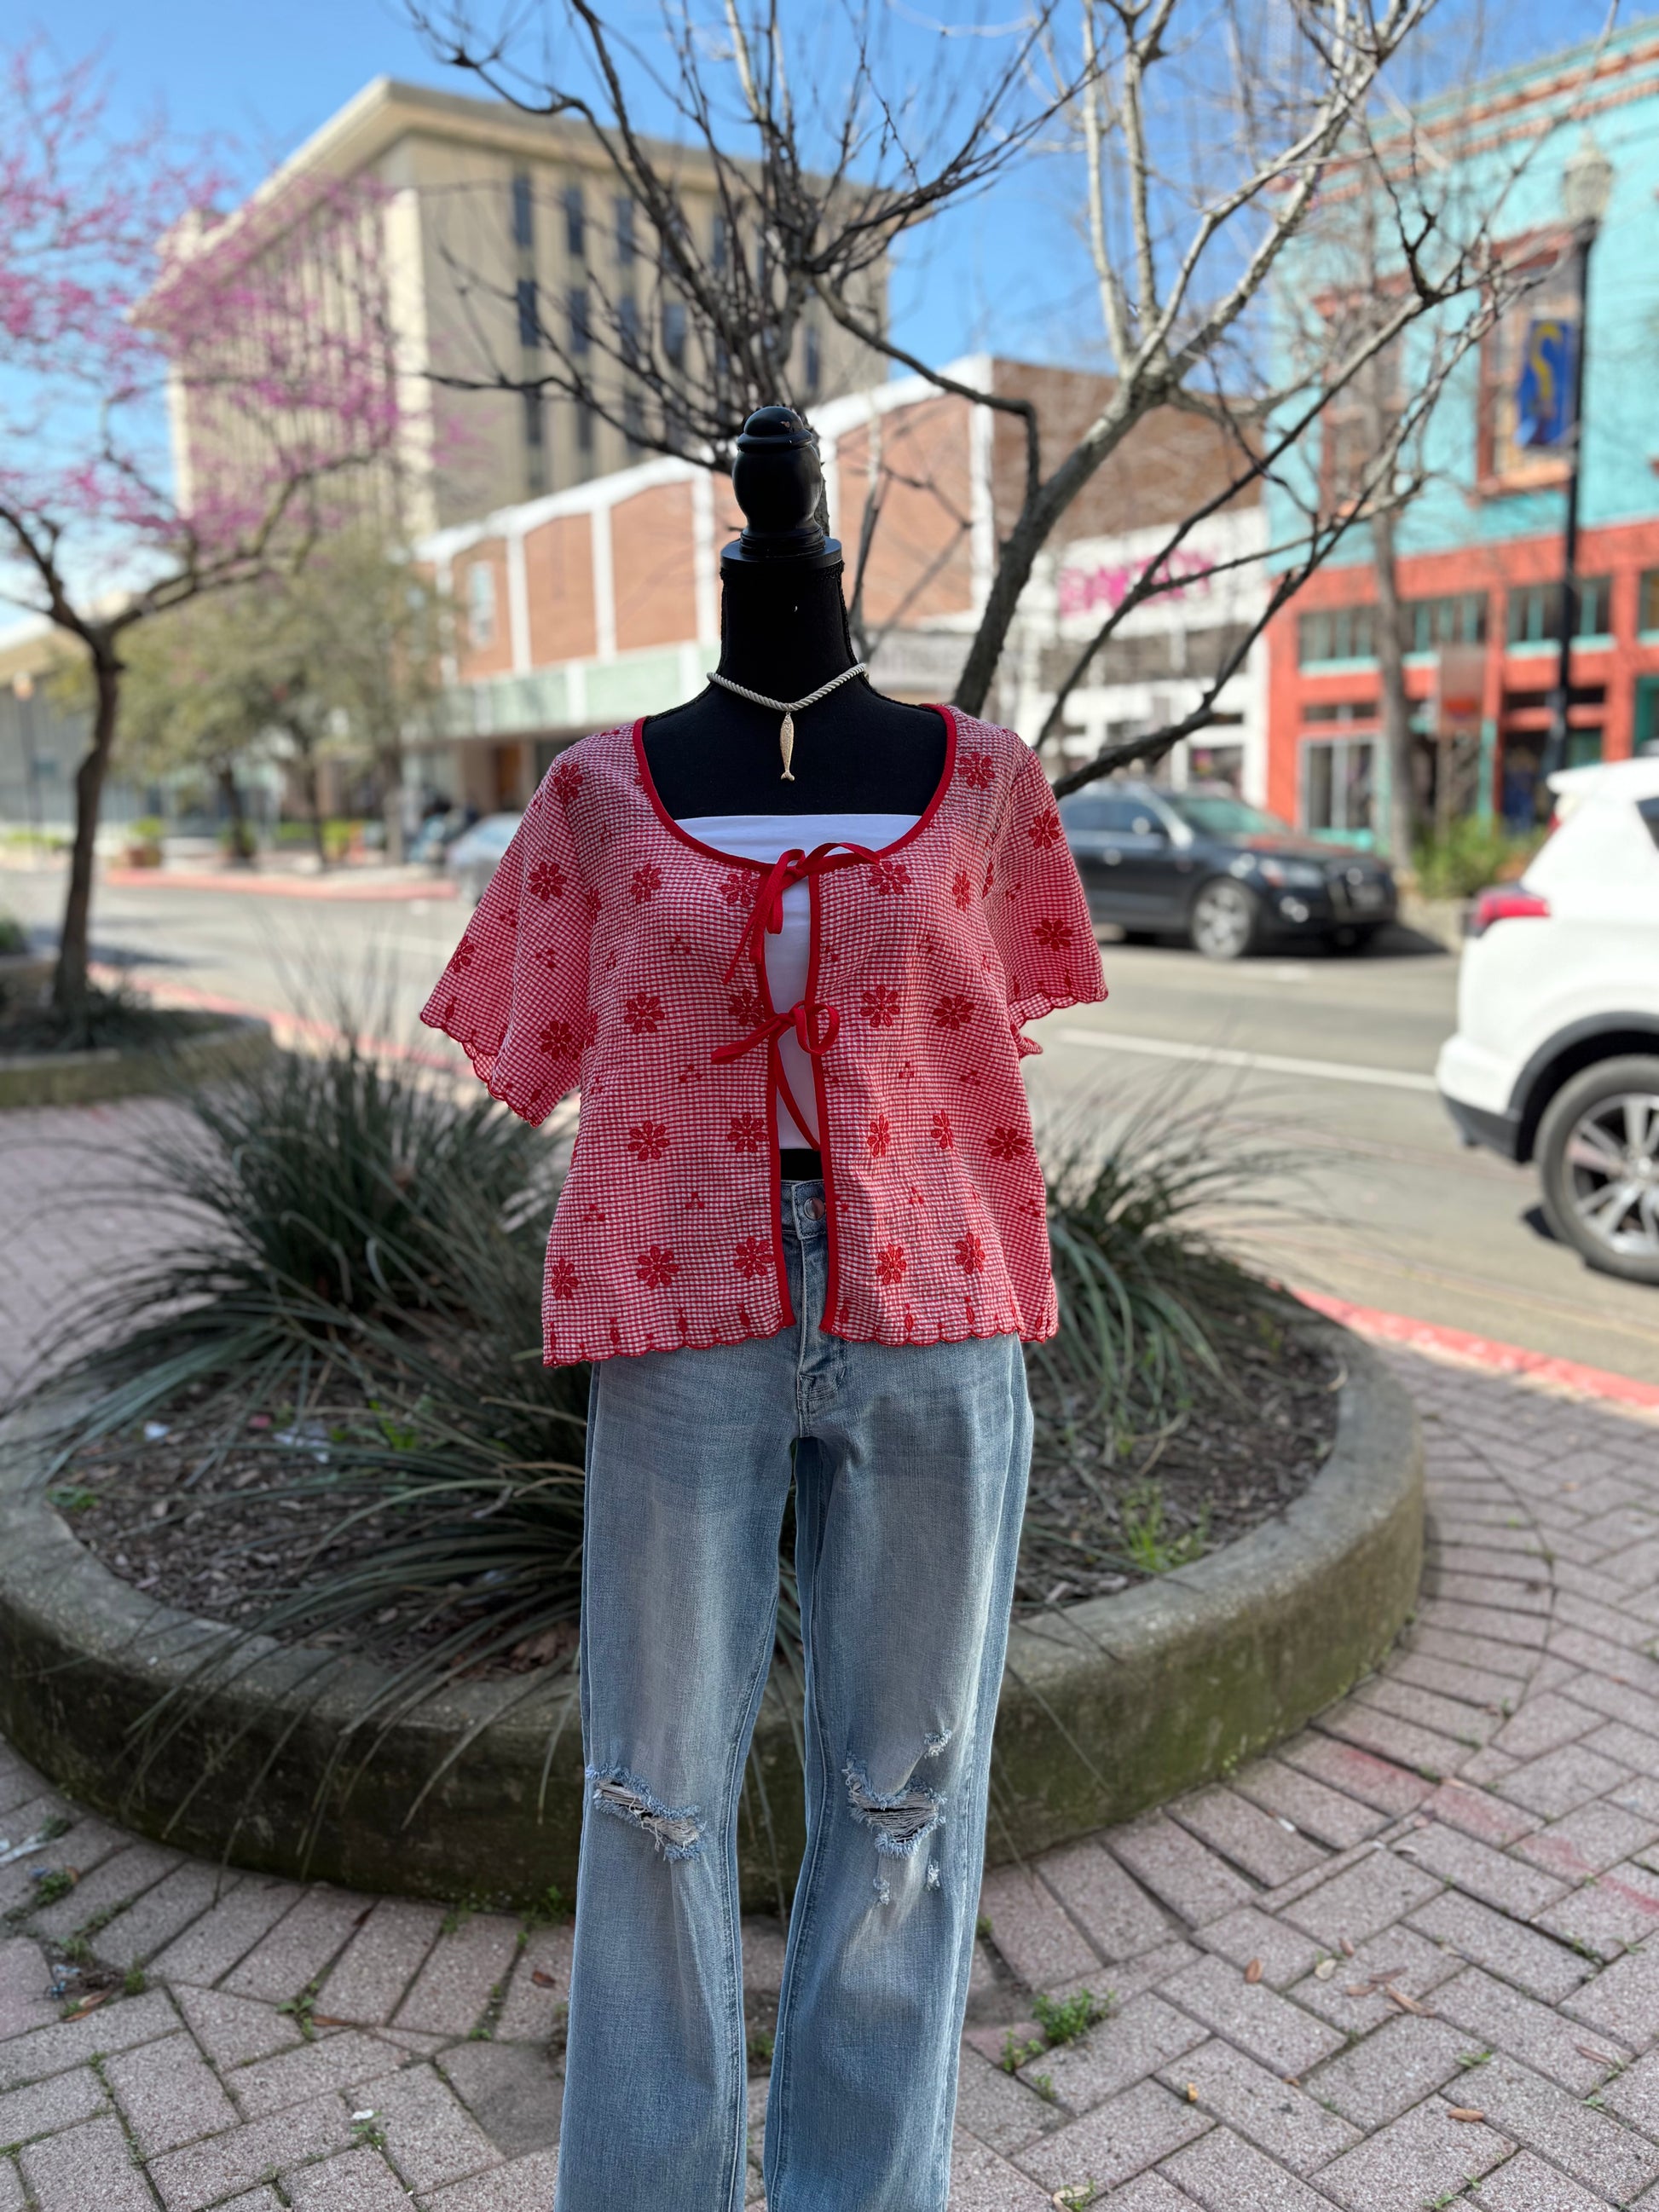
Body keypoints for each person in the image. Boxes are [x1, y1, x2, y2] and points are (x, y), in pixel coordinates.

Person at [421, 407, 1106, 2210]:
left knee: (906, 1797)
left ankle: (854, 2191)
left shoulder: (984, 785)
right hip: (682, 1312)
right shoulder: (590, 793)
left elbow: (989, 1035)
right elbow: (528, 1042)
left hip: (936, 1310)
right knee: (650, 1795)